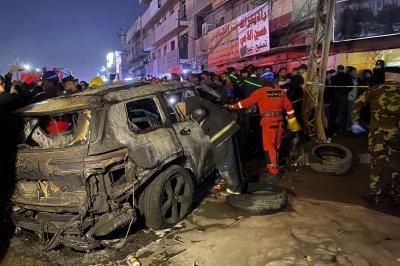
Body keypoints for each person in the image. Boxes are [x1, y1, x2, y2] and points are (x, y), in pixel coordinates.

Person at [225, 80, 301, 180]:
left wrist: (232, 106)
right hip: (279, 123)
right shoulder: (280, 91)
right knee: (276, 146)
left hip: (269, 123)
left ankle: (273, 173)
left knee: (269, 148)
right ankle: (274, 167)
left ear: (262, 85)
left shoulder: (261, 91)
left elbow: (247, 102)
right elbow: (289, 108)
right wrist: (292, 120)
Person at [351, 66, 400, 205]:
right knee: (397, 165)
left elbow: (356, 105)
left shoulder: (374, 91)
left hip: (377, 133)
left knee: (376, 164)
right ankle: (397, 194)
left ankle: (376, 194)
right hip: (397, 134)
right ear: (396, 77)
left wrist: (355, 123)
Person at [176, 96, 242, 194]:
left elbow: (200, 112)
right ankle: (237, 184)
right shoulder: (193, 99)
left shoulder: (188, 104)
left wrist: (192, 118)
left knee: (224, 161)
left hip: (220, 131)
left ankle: (234, 190)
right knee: (232, 158)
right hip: (227, 125)